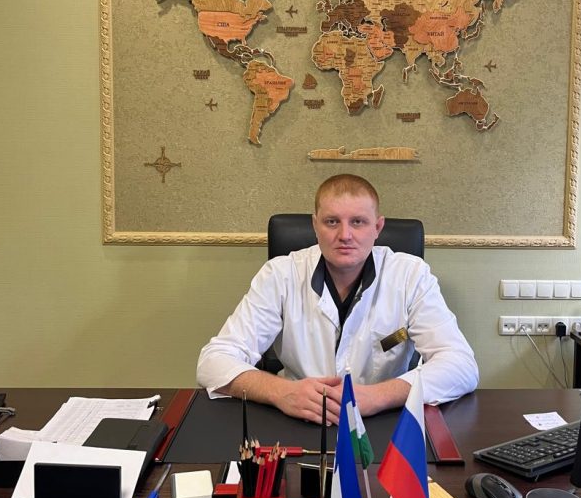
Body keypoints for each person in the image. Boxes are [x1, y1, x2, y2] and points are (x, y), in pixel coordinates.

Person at [197, 174, 478, 423]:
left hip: (383, 421)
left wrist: (377, 396)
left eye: (358, 222)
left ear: (377, 227)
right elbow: (213, 362)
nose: (345, 235)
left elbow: (461, 366)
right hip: (297, 418)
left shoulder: (410, 276)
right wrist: (282, 392)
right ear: (315, 225)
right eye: (332, 222)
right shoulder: (280, 275)